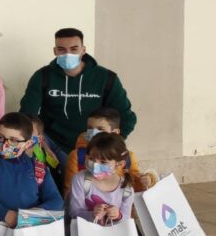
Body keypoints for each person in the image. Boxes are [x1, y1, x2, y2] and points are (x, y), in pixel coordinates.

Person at [19, 27, 137, 168]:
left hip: (94, 146)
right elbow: (26, 117)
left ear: (83, 50)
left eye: (74, 49)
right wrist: (40, 144)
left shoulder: (106, 78)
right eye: (61, 49)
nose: (67, 54)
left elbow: (127, 118)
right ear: (55, 51)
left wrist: (109, 145)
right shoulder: (42, 76)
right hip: (53, 143)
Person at [66, 132, 156, 236]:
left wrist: (118, 214)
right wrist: (92, 213)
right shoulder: (81, 179)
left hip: (114, 234)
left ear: (119, 164)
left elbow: (126, 220)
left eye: (103, 161)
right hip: (85, 231)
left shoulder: (126, 188)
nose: (95, 164)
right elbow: (73, 212)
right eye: (91, 158)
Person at [63, 107, 153, 193]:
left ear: (115, 133)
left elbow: (135, 186)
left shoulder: (128, 157)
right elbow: (70, 192)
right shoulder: (78, 157)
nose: (94, 133)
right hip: (88, 207)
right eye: (90, 128)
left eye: (100, 129)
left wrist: (148, 180)